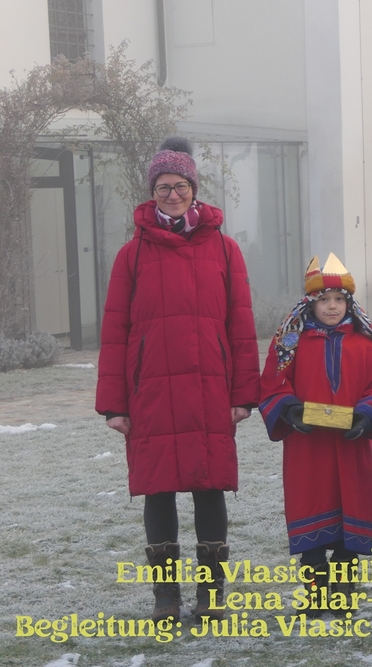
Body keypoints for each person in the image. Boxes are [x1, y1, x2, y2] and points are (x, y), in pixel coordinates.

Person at [95, 136, 260, 622]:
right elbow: (115, 331)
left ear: (194, 189)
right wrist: (115, 404)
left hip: (211, 389)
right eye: (164, 187)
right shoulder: (131, 255)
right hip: (151, 393)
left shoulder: (225, 250)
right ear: (152, 192)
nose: (172, 195)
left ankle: (211, 595)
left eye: (181, 186)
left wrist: (244, 395)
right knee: (158, 490)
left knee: (210, 488)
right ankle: (165, 598)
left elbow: (241, 325)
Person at [259, 253, 372, 616]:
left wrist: (367, 414)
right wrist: (289, 408)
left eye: (339, 299)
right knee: (310, 514)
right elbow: (273, 383)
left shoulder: (366, 344)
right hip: (307, 449)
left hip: (351, 448)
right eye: (324, 300)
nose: (332, 306)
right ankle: (316, 592)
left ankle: (344, 591)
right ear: (310, 303)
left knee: (351, 515)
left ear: (349, 302)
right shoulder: (290, 344)